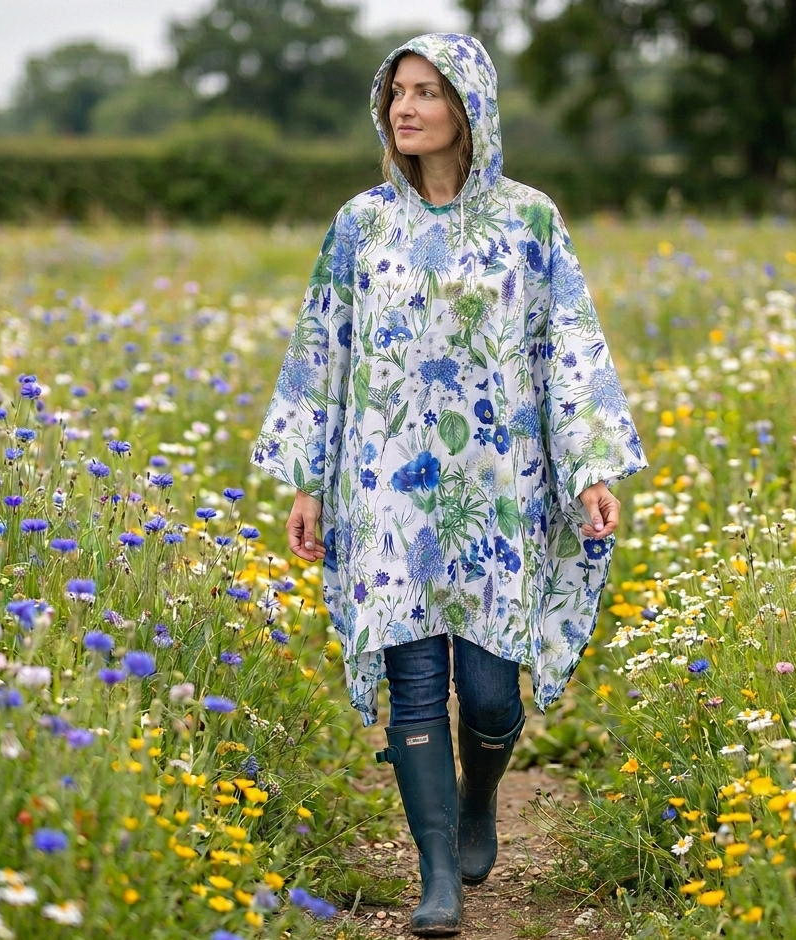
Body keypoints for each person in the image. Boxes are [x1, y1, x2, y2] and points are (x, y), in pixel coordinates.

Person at [251, 32, 648, 937]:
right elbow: (323, 350)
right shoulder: (360, 226)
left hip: (495, 492)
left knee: (494, 692)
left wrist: (589, 467)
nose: (405, 107)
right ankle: (439, 878)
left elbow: (569, 351)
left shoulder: (531, 222)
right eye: (397, 91)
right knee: (415, 682)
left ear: (469, 107)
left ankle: (481, 800)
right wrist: (308, 479)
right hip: (384, 486)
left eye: (427, 92)